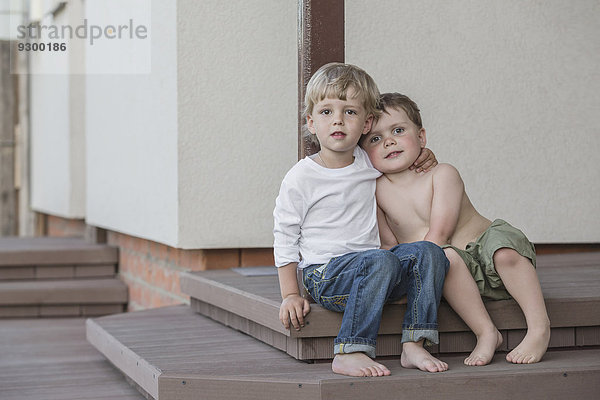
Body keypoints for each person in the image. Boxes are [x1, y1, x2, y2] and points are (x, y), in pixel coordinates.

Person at [273, 63, 449, 378]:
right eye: (326, 112)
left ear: (366, 123)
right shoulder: (302, 176)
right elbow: (285, 236)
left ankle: (414, 342)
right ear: (312, 123)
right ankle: (351, 349)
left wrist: (425, 153)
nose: (338, 119)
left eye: (350, 112)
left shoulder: (367, 161)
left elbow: (399, 154)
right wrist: (290, 294)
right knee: (378, 260)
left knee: (428, 251)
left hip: (378, 269)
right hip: (326, 276)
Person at [361, 92, 551, 366]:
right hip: (451, 272)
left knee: (505, 250)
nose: (388, 141)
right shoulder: (376, 192)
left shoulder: (442, 173)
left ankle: (539, 328)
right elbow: (390, 246)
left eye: (398, 130)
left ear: (422, 137)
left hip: (485, 251)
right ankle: (486, 332)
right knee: (444, 258)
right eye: (375, 139)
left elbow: (440, 234)